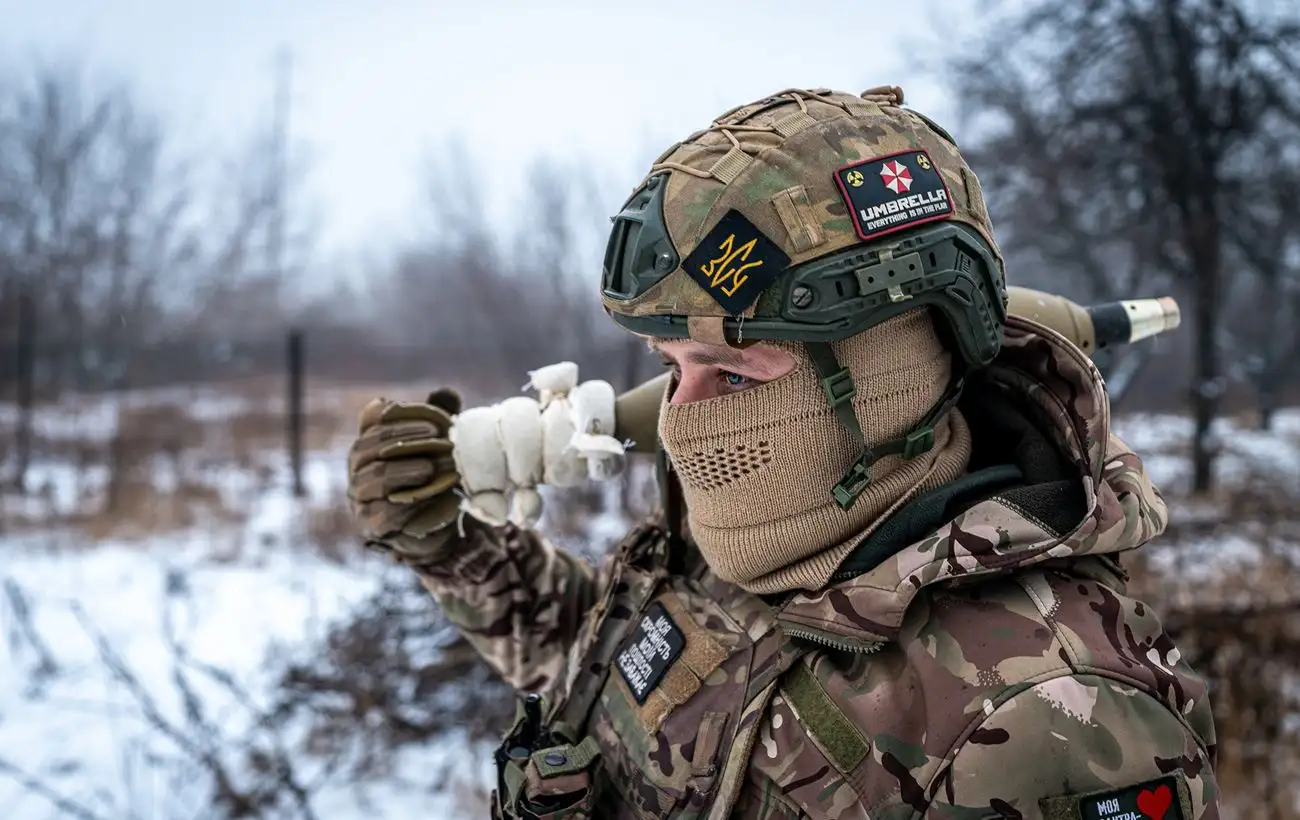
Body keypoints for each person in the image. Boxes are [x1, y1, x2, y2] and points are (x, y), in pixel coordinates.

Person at [346, 86, 1220, 819]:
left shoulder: (1045, 722)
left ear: (893, 369)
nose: (682, 422)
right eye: (668, 370)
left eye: (729, 375)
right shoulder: (771, 525)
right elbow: (627, 673)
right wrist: (448, 546)